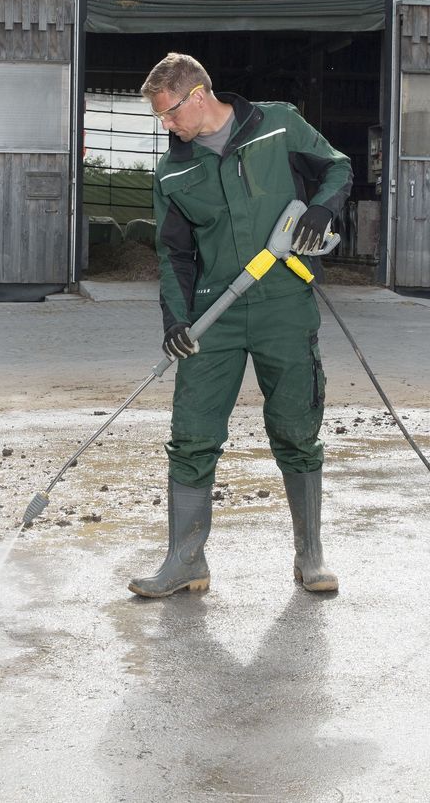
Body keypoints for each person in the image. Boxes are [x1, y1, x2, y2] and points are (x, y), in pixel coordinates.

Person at [130, 52, 353, 598]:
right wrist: (176, 320)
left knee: (298, 430)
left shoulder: (279, 124)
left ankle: (310, 557)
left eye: (169, 113)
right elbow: (173, 256)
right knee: (192, 436)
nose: (166, 125)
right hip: (215, 316)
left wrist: (324, 209)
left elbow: (338, 167)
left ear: (197, 95)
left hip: (284, 302)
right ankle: (185, 561)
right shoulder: (173, 170)